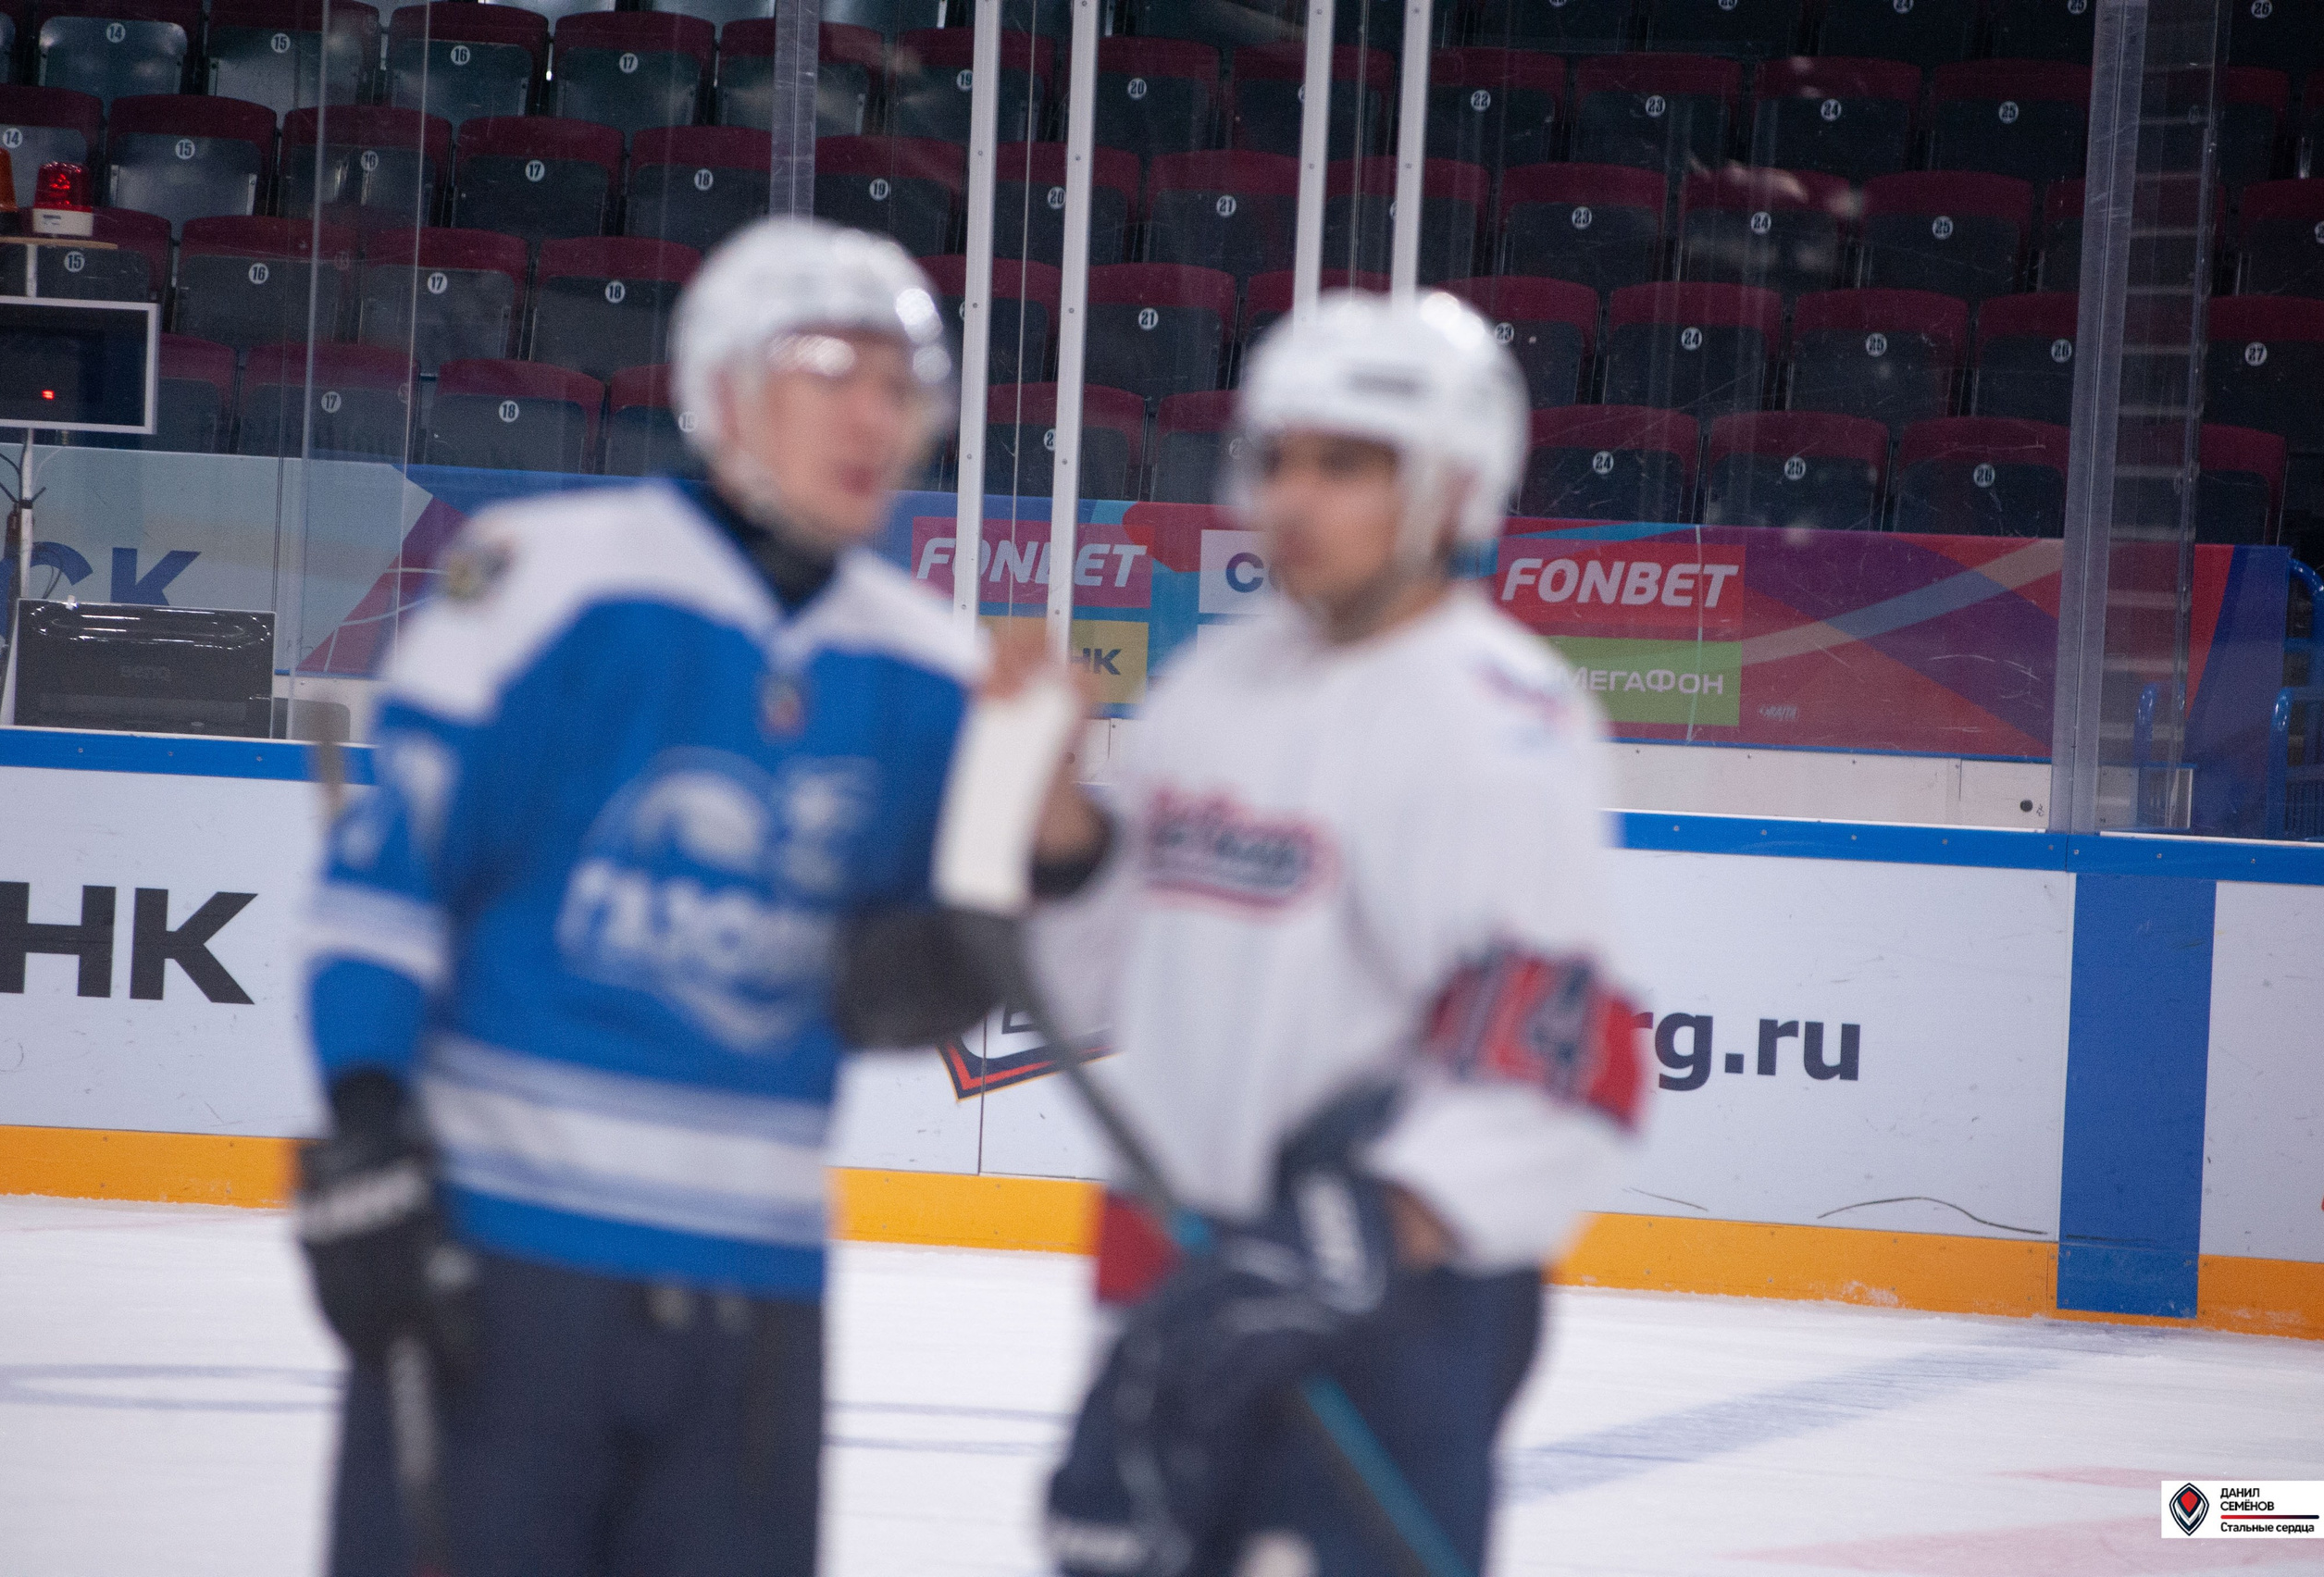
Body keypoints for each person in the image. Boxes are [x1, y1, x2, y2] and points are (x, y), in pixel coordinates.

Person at [292, 217, 1005, 1577]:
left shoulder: (931, 666)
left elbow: (921, 982)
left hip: (755, 1304)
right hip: (505, 1271)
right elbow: (383, 898)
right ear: (726, 390)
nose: (877, 416)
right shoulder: (546, 582)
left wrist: (995, 912)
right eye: (830, 374)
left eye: (901, 385)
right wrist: (368, 1127)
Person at [1020, 291, 1650, 1577]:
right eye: (1280, 459)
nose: (1294, 500)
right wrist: (1058, 829)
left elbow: (1560, 1066)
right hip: (1180, 1272)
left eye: (1347, 465)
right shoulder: (1218, 683)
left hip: (1391, 1313)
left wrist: (1343, 1244)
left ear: (1454, 486)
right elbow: (1101, 973)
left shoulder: (1499, 721)